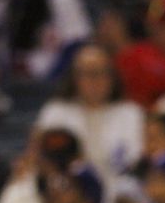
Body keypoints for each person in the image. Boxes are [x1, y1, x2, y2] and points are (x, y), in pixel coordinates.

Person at [36, 44, 145, 188]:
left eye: (102, 72)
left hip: (120, 188)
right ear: (74, 78)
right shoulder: (55, 111)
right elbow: (41, 158)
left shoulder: (131, 113)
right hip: (68, 189)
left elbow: (137, 160)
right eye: (88, 73)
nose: (95, 80)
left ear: (113, 77)